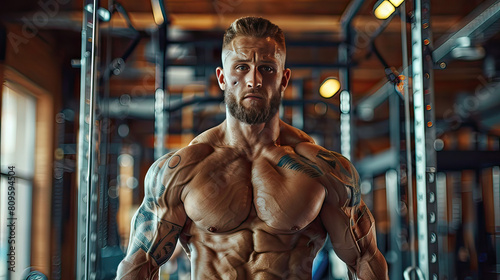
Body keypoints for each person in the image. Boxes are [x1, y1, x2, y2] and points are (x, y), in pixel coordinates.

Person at [116, 16, 389, 280]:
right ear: (222, 78)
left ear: (284, 78)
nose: (254, 80)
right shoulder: (182, 169)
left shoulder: (324, 169)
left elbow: (364, 258)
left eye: (267, 68)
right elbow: (141, 264)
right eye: (242, 67)